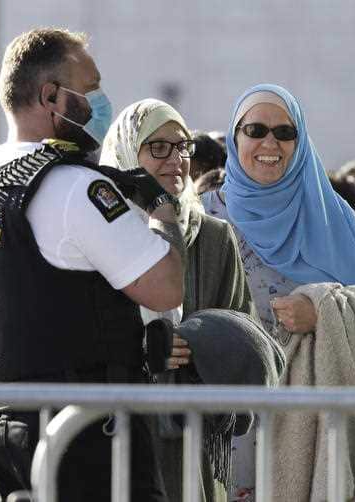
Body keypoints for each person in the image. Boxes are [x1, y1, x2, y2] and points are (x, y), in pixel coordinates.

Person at [0, 28, 184, 502]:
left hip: (2, 431)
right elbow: (166, 288)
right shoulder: (77, 188)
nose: (100, 103)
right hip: (88, 437)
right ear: (51, 95)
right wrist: (164, 217)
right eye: (90, 89)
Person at [207, 84, 355, 501]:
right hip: (232, 430)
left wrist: (325, 308)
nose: (271, 143)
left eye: (286, 133)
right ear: (236, 139)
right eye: (256, 130)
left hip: (326, 427)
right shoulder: (205, 217)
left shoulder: (339, 220)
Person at [100, 98, 255, 502]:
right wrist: (140, 346)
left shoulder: (214, 238)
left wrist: (198, 346)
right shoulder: (97, 233)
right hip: (108, 429)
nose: (176, 160)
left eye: (183, 147)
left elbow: (243, 330)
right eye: (158, 148)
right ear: (126, 152)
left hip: (187, 438)